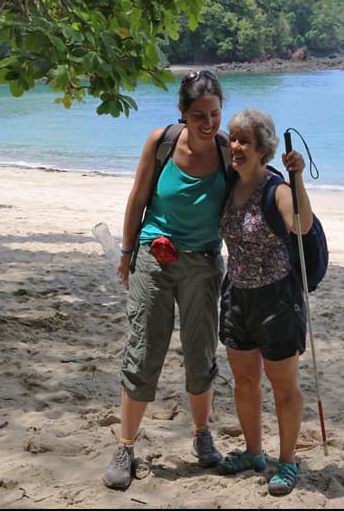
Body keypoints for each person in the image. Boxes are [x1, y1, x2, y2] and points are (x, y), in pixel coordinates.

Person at [102, 69, 228, 491]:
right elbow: (138, 197)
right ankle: (125, 445)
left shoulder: (229, 151)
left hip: (204, 265)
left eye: (214, 114)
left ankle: (201, 435)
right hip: (154, 260)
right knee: (144, 351)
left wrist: (292, 172)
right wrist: (125, 252)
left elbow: (258, 190)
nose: (208, 124)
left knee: (200, 354)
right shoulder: (161, 143)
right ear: (182, 113)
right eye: (199, 116)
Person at [216, 109, 312, 496]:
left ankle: (287, 462)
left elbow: (301, 225)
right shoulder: (228, 183)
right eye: (234, 139)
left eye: (245, 142)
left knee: (283, 386)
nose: (236, 147)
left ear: (263, 150)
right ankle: (254, 452)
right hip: (236, 295)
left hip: (277, 299)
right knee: (244, 382)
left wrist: (299, 176)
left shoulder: (278, 189)